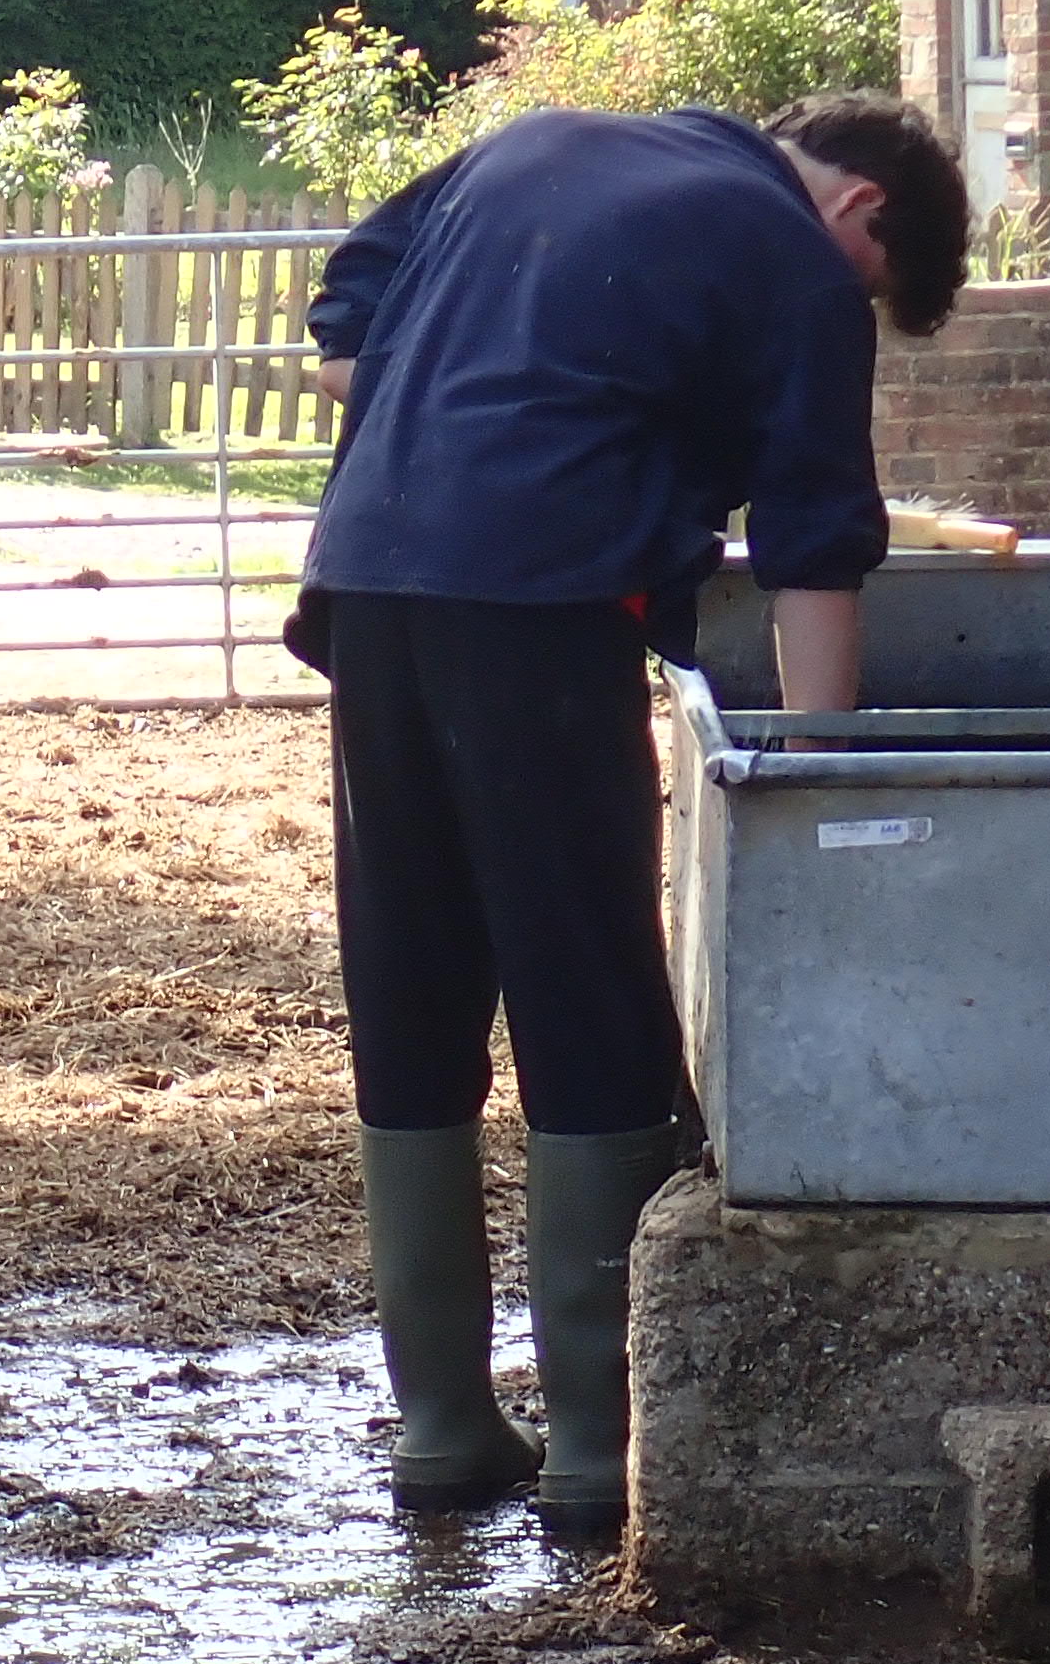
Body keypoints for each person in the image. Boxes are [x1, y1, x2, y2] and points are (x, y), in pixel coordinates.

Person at [294, 92, 970, 1548]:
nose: (851, 307)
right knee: (586, 984)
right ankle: (601, 1444)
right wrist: (813, 773)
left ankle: (441, 1424)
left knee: (411, 976)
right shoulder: (794, 259)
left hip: (369, 583)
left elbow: (345, 315)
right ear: (863, 213)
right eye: (874, 289)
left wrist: (461, 413)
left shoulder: (530, 144)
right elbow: (813, 540)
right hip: (542, 609)